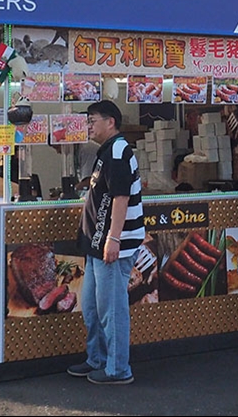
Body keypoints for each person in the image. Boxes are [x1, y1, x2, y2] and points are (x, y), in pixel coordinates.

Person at [67, 99, 144, 385]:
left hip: (114, 246)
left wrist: (113, 238)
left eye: (92, 120)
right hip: (97, 245)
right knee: (92, 306)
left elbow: (121, 198)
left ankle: (118, 369)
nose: (89, 125)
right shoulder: (107, 151)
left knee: (112, 309)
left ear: (110, 121)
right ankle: (97, 358)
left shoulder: (118, 151)